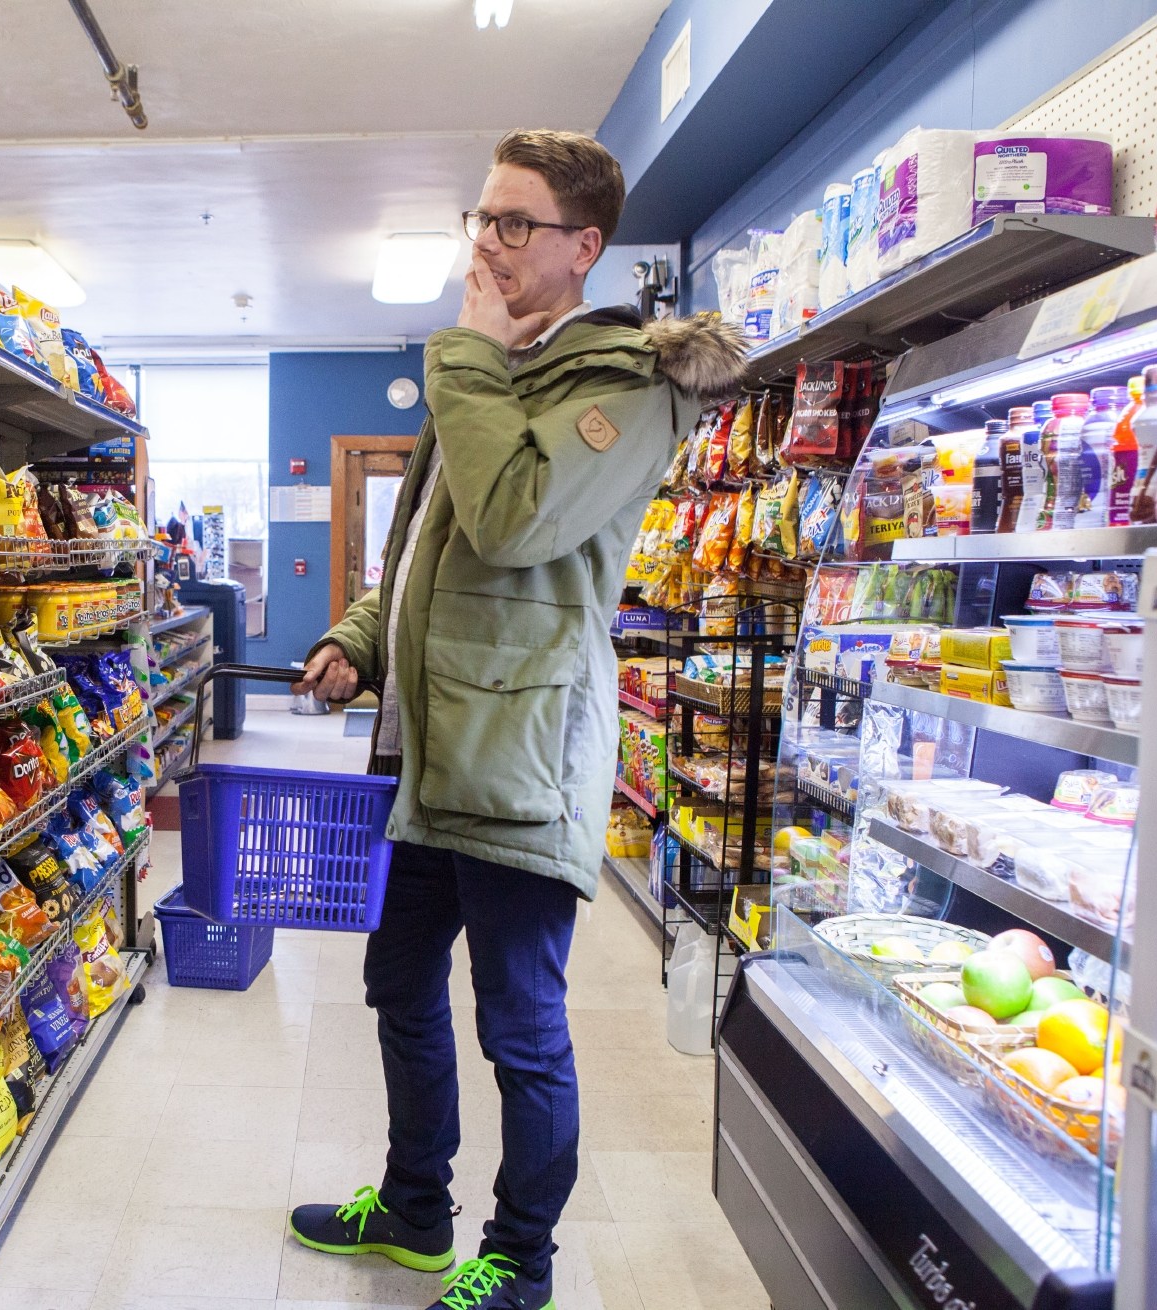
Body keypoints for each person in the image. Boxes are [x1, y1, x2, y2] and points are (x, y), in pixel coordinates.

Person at [286, 129, 746, 1310]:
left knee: (520, 1024)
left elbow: (513, 520)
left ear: (584, 245)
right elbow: (428, 551)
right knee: (396, 979)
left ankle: (523, 1258)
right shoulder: (490, 372)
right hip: (436, 755)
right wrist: (354, 635)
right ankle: (415, 1205)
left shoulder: (621, 387)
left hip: (524, 760)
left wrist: (466, 358)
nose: (486, 243)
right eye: (480, 218)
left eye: (514, 223)